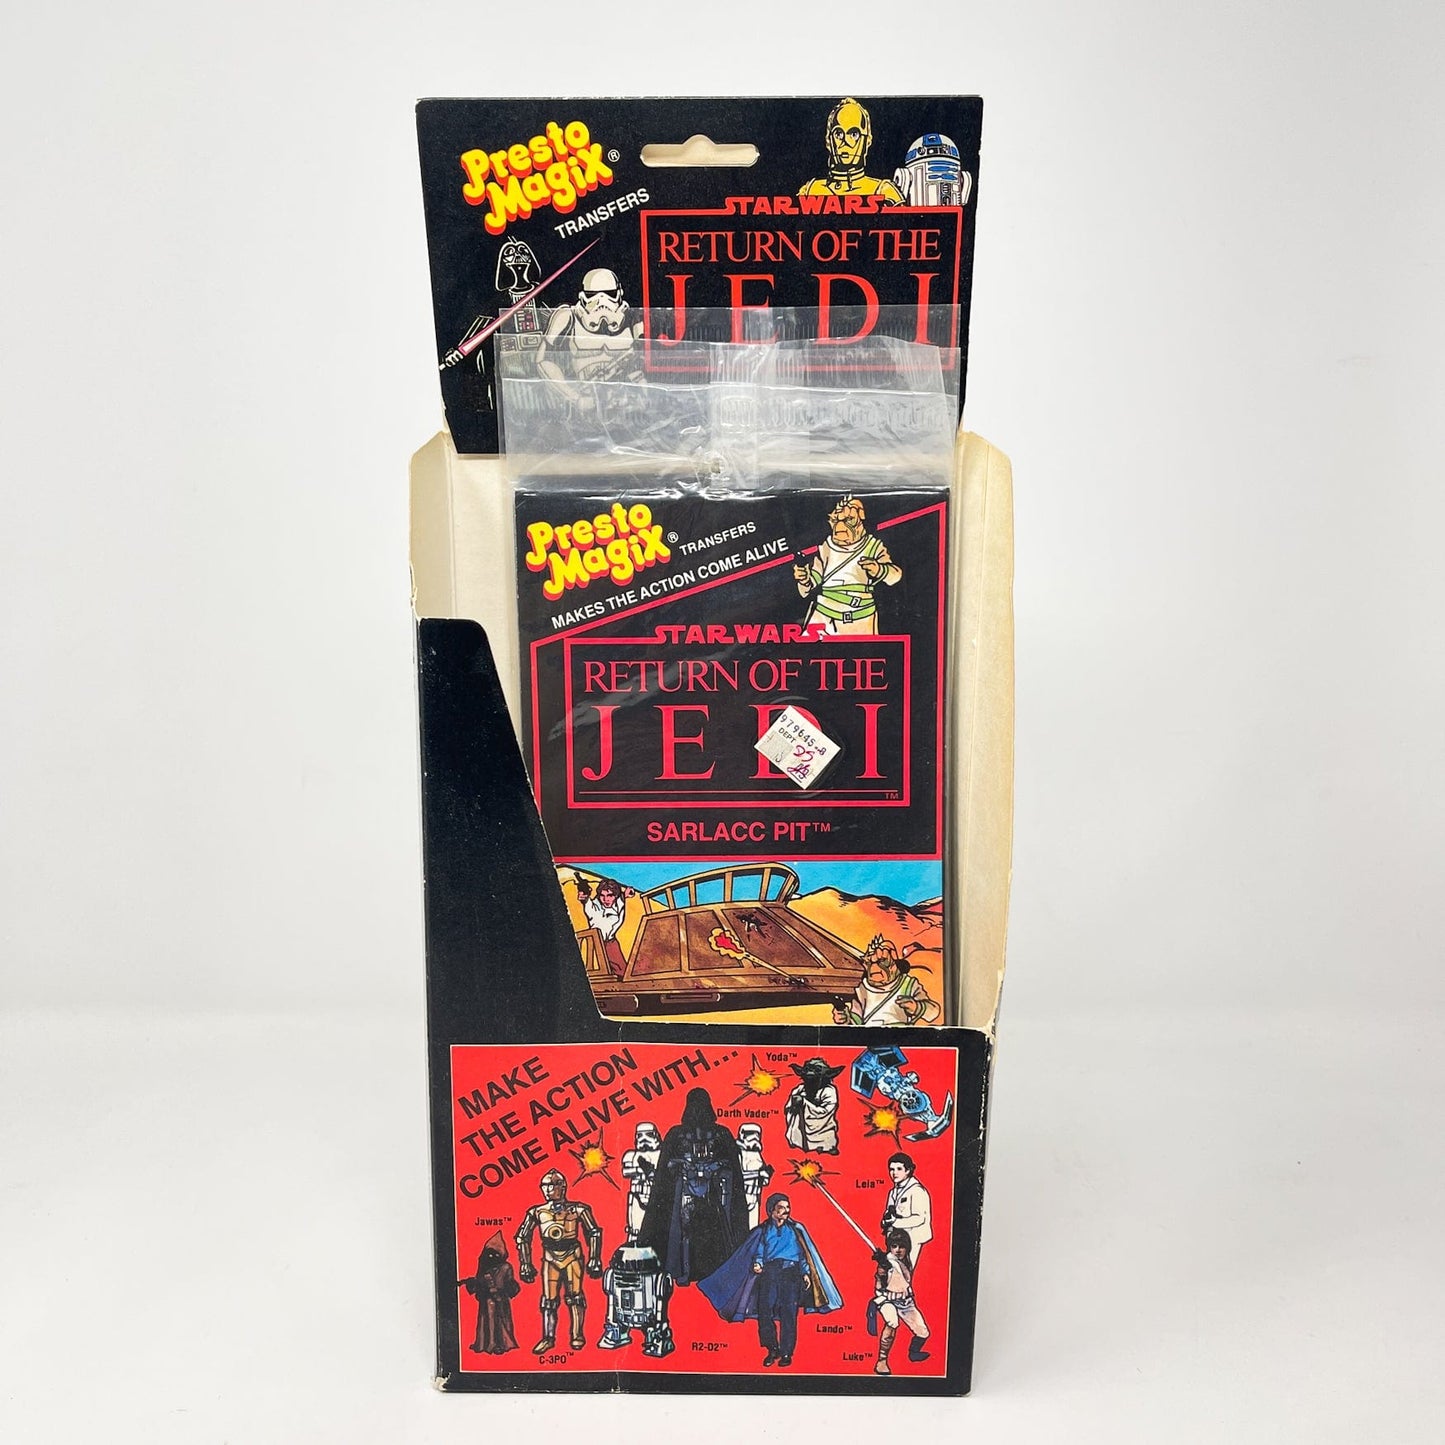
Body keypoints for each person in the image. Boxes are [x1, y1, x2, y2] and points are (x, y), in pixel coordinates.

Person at [698, 1192, 843, 1368]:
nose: (786, 1211)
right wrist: (758, 1263)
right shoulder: (763, 1230)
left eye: (787, 1207)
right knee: (765, 1312)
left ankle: (786, 1353)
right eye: (781, 1208)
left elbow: (803, 1254)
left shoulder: (796, 1229)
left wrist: (806, 1273)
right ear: (771, 1211)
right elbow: (758, 1251)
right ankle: (772, 1349)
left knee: (789, 1314)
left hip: (791, 1274)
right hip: (770, 1273)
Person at [637, 1088, 750, 1286]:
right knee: (684, 1233)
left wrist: (715, 1167)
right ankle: (684, 1271)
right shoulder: (676, 1134)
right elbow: (666, 1167)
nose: (698, 1111)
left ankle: (715, 1273)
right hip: (685, 1192)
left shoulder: (721, 1134)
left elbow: (731, 1165)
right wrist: (681, 1166)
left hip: (713, 1194)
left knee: (715, 1235)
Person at [514, 1168, 603, 1353]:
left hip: (572, 1255)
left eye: (552, 1185)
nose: (548, 1189)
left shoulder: (578, 1209)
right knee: (549, 1300)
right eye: (545, 1185)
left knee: (575, 1297)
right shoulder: (537, 1212)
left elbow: (594, 1232)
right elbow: (522, 1237)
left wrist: (595, 1258)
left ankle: (577, 1335)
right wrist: (525, 1263)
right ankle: (548, 1338)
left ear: (562, 1187)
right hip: (550, 1257)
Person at [794, 495, 902, 635]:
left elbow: (895, 576)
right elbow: (814, 579)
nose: (840, 527)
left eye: (848, 520)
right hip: (823, 618)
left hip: (859, 620)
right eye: (835, 520)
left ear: (862, 520)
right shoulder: (827, 547)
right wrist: (804, 578)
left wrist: (879, 570)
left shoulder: (873, 547)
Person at [798, 99, 905, 204]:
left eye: (854, 134)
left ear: (867, 141)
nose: (845, 141)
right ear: (829, 141)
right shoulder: (810, 191)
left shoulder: (883, 191)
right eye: (838, 134)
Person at [832, 935, 941, 1026]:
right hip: (869, 1036)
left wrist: (916, 1007)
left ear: (896, 965)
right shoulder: (862, 988)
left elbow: (933, 1012)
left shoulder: (908, 984)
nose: (875, 969)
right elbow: (857, 1020)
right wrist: (845, 1019)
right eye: (870, 963)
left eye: (882, 962)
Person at [870, 1228, 930, 1374]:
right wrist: (883, 1268)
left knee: (923, 1332)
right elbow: (879, 1286)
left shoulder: (907, 1261)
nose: (897, 1250)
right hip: (887, 1300)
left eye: (901, 1246)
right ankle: (881, 1361)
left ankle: (913, 1353)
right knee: (892, 1323)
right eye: (894, 1246)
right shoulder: (887, 1261)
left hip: (905, 1302)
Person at [458, 1230, 521, 1355]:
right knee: (487, 1321)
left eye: (495, 1254)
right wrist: (470, 1283)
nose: (491, 1257)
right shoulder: (484, 1266)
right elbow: (479, 1281)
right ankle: (487, 1343)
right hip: (487, 1299)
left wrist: (502, 1291)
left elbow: (511, 1284)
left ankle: (501, 1344)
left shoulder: (506, 1267)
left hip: (500, 1299)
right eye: (489, 1253)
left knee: (500, 1321)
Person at [880, 1152, 932, 1274]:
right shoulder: (893, 1192)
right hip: (896, 1237)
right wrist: (886, 1221)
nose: (894, 1173)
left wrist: (895, 1222)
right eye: (891, 1169)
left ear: (908, 1170)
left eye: (899, 1169)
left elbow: (920, 1218)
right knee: (892, 1270)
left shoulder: (917, 1190)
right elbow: (889, 1211)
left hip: (913, 1237)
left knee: (904, 1272)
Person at [784, 1056, 843, 1154]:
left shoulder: (829, 1091)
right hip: (801, 1130)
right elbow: (788, 1108)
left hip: (823, 1130)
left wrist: (804, 1103)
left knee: (826, 1141)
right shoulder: (800, 1089)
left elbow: (826, 1112)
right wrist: (794, 1105)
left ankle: (827, 1147)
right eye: (808, 1070)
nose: (810, 1073)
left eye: (816, 1070)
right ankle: (798, 1142)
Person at [620, 1120, 662, 1239]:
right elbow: (625, 1172)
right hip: (637, 1196)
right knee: (635, 1230)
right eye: (640, 1135)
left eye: (648, 1134)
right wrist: (642, 1171)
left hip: (659, 1197)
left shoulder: (663, 1154)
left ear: (656, 1136)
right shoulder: (631, 1155)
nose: (644, 1138)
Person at [736, 1123, 773, 1229]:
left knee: (753, 1227)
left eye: (757, 1134)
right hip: (741, 1195)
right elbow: (737, 1175)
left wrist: (765, 1176)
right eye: (750, 1134)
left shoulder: (757, 1154)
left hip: (755, 1195)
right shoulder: (737, 1153)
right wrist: (757, 1174)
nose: (754, 1137)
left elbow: (763, 1178)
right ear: (743, 1135)